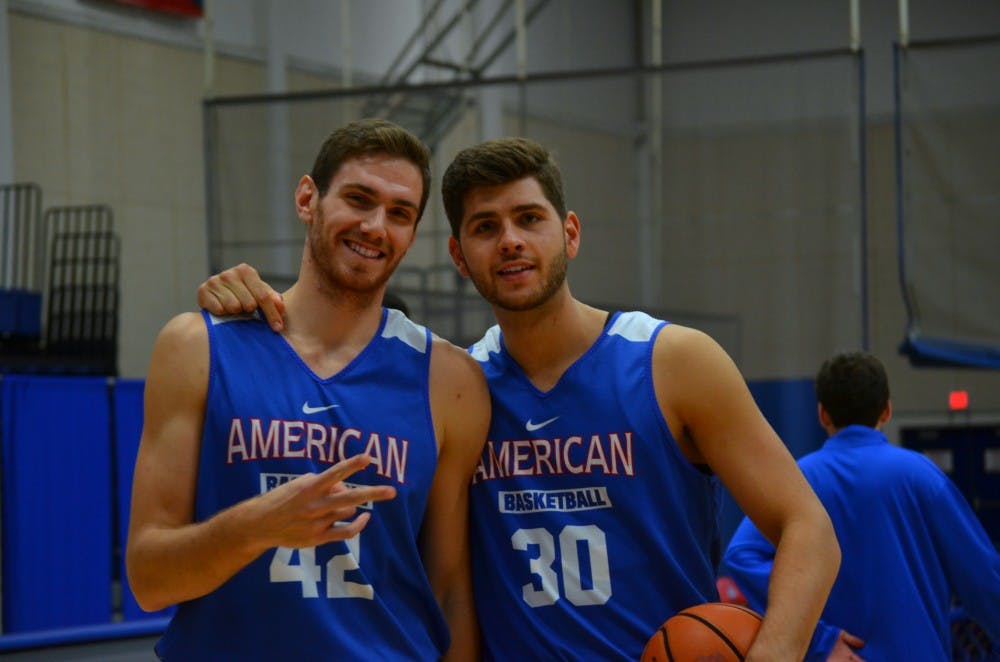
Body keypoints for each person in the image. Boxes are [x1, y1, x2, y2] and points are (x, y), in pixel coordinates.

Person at [198, 136, 840, 661]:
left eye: (528, 219)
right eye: (485, 227)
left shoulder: (672, 361)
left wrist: (779, 651)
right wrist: (252, 295)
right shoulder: (455, 387)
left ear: (570, 233)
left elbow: (808, 526)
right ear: (457, 255)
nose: (509, 240)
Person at [127, 118, 490, 661]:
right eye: (359, 199)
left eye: (399, 213)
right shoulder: (197, 347)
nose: (375, 226)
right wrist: (258, 525)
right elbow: (149, 577)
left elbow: (452, 591)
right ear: (307, 198)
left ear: (412, 235)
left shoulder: (450, 380)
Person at [724, 351, 1000, 662]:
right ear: (887, 410)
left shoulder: (799, 480)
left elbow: (741, 554)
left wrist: (819, 639)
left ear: (822, 415)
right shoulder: (921, 476)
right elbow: (984, 579)